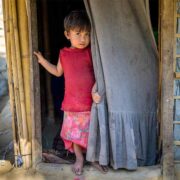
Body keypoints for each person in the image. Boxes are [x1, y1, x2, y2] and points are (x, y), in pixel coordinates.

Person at [34, 10, 102, 175]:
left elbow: (100, 74)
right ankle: (79, 158)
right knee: (74, 134)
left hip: (89, 102)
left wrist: (96, 91)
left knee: (91, 132)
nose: (82, 38)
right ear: (67, 34)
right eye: (78, 34)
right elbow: (58, 72)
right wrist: (42, 61)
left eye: (86, 34)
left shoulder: (90, 52)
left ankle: (92, 158)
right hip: (72, 103)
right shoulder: (64, 54)